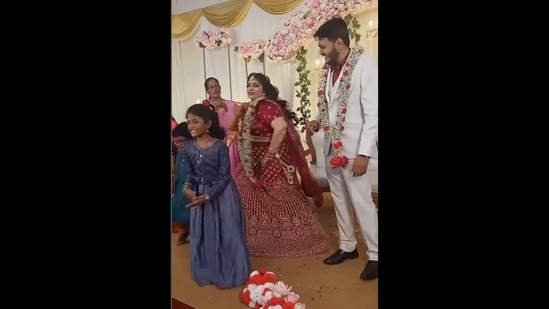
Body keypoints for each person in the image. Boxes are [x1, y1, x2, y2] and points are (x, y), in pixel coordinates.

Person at [306, 17, 379, 280]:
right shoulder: (329, 69)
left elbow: (373, 114)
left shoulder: (366, 66)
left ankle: (376, 254)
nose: (321, 52)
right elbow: (328, 102)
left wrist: (364, 153)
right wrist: (317, 118)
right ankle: (347, 246)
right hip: (331, 148)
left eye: (324, 47)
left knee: (362, 202)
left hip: (354, 151)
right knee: (339, 200)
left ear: (339, 42)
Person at [231, 72, 329, 258]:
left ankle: (295, 238)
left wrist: (269, 154)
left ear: (264, 89)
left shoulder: (267, 106)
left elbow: (281, 127)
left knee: (280, 194)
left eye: (255, 85)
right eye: (249, 85)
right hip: (251, 160)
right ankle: (254, 239)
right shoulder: (251, 107)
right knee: (247, 191)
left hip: (271, 159)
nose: (251, 88)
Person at [183, 104, 251, 289]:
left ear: (208, 124)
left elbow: (224, 176)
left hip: (222, 195)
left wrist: (208, 196)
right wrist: (188, 189)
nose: (191, 126)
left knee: (227, 233)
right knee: (205, 235)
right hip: (199, 195)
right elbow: (189, 174)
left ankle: (230, 271)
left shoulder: (220, 146)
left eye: (195, 121)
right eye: (189, 122)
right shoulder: (188, 146)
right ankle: (209, 271)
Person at [201, 77, 241, 180]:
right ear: (207, 91)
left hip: (234, 144)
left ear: (220, 87)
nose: (214, 89)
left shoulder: (232, 104)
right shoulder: (204, 107)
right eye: (211, 87)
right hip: (215, 143)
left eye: (216, 86)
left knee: (235, 173)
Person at [171, 122, 192, 245]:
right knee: (175, 209)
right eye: (176, 142)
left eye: (181, 141)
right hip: (180, 185)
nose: (178, 144)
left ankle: (195, 232)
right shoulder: (180, 152)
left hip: (191, 186)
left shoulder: (195, 151)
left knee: (191, 211)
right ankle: (185, 231)